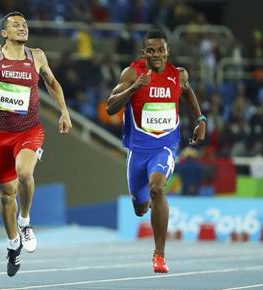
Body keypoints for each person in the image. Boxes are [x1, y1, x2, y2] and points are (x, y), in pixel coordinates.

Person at [0, 11, 72, 277]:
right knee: (5, 195)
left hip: (29, 131)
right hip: (0, 135)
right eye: (15, 25)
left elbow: (53, 83)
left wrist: (64, 111)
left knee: (25, 172)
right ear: (4, 33)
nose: (22, 28)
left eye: (24, 24)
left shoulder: (37, 56)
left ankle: (25, 220)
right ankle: (13, 244)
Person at [106, 30, 206, 273]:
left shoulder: (178, 75)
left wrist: (200, 119)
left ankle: (159, 255)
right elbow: (110, 107)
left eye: (161, 50)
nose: (156, 55)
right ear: (144, 53)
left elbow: (188, 91)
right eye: (151, 51)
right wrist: (134, 89)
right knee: (140, 208)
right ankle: (149, 203)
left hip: (165, 147)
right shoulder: (132, 73)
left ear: (167, 50)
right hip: (138, 151)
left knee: (157, 188)